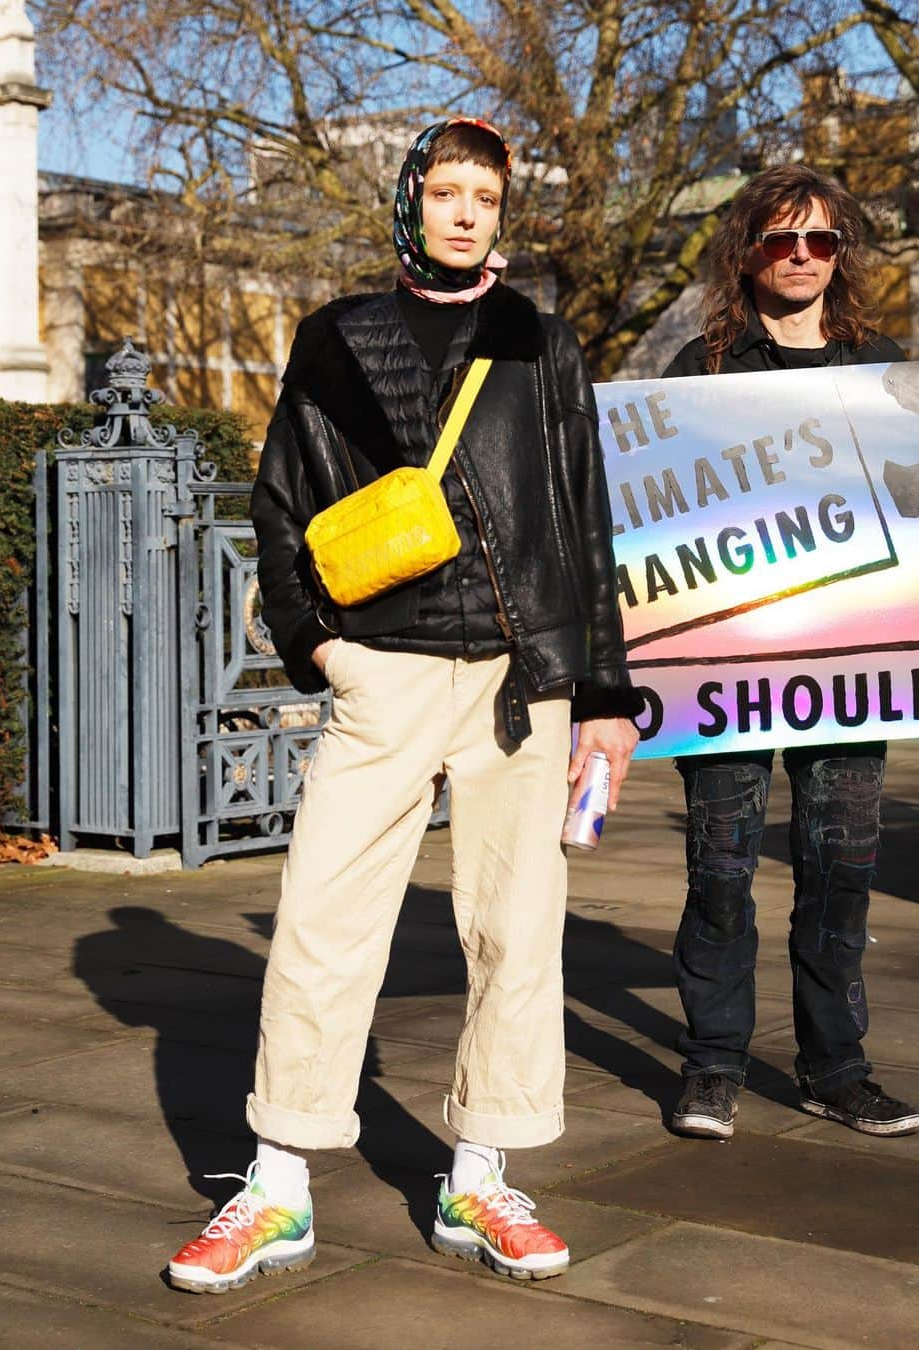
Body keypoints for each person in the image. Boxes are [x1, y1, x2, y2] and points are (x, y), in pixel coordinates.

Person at [167, 117, 642, 1293]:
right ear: (411, 200)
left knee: (516, 935)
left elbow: (584, 518)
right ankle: (277, 1186)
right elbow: (280, 508)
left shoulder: (538, 340)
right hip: (380, 678)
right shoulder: (337, 339)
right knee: (322, 920)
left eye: (488, 195)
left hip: (514, 688)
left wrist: (606, 696)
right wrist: (320, 647)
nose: (469, 212)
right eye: (448, 191)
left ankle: (478, 1174)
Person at [662, 163, 918, 1141]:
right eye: (781, 240)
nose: (802, 257)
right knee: (721, 869)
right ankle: (714, 1065)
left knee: (840, 867)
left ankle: (835, 1070)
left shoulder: (883, 365)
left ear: (841, 254)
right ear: (749, 253)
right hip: (725, 662)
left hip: (851, 662)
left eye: (820, 241)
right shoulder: (703, 371)